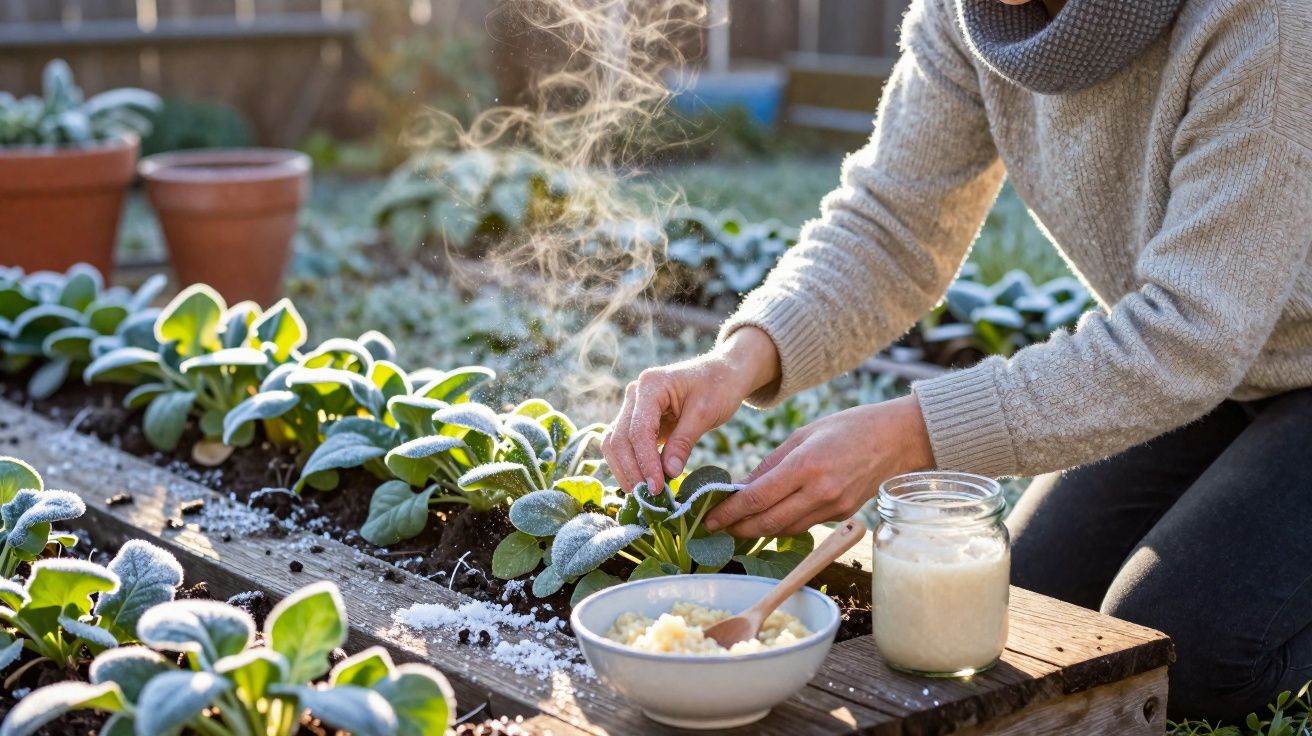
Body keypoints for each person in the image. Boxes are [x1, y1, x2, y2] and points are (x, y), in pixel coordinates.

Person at [601, 0, 1312, 720]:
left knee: (1198, 655)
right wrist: (735, 362)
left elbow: (1191, 335)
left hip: (1257, 353)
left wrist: (909, 435)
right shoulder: (968, 15)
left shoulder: (1263, 19)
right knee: (1036, 605)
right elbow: (891, 226)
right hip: (1225, 370)